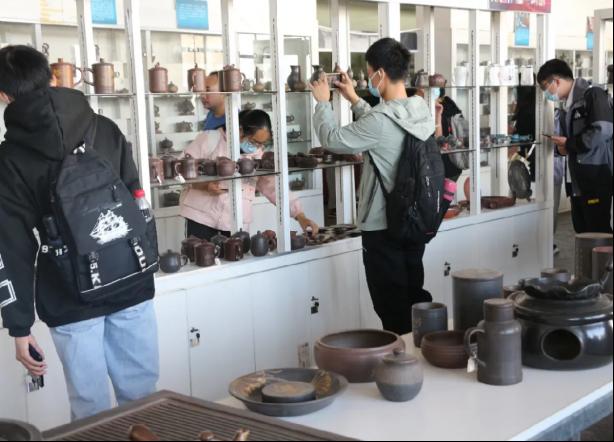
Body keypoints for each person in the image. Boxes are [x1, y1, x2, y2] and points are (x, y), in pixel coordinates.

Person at [0, 45, 159, 421]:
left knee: (90, 411)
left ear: (4, 95)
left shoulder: (10, 159)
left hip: (67, 293)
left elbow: (12, 246)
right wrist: (148, 263)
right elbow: (137, 200)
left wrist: (19, 327)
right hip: (130, 280)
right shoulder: (104, 127)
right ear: (51, 77)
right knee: (144, 402)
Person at [311, 38, 435, 335]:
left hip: (383, 226)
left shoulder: (380, 120)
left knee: (391, 308)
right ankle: (422, 351)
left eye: (369, 74)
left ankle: (402, 359)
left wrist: (323, 103)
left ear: (380, 73)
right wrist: (354, 99)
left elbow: (332, 139)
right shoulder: (419, 108)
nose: (368, 80)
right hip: (414, 221)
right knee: (413, 298)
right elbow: (384, 124)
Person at [180, 109, 319, 240]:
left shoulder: (258, 155)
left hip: (235, 224)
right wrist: (204, 185)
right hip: (201, 219)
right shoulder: (211, 139)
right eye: (254, 142)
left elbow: (275, 188)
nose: (258, 147)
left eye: (262, 144)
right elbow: (180, 169)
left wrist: (300, 216)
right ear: (240, 131)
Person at [537, 59, 613, 234]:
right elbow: (571, 143)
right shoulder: (568, 106)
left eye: (546, 88)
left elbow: (602, 131)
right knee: (582, 231)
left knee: (598, 232)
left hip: (595, 178)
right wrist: (562, 148)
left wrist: (570, 144)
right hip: (576, 182)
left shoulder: (593, 95)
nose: (546, 94)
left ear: (556, 81)